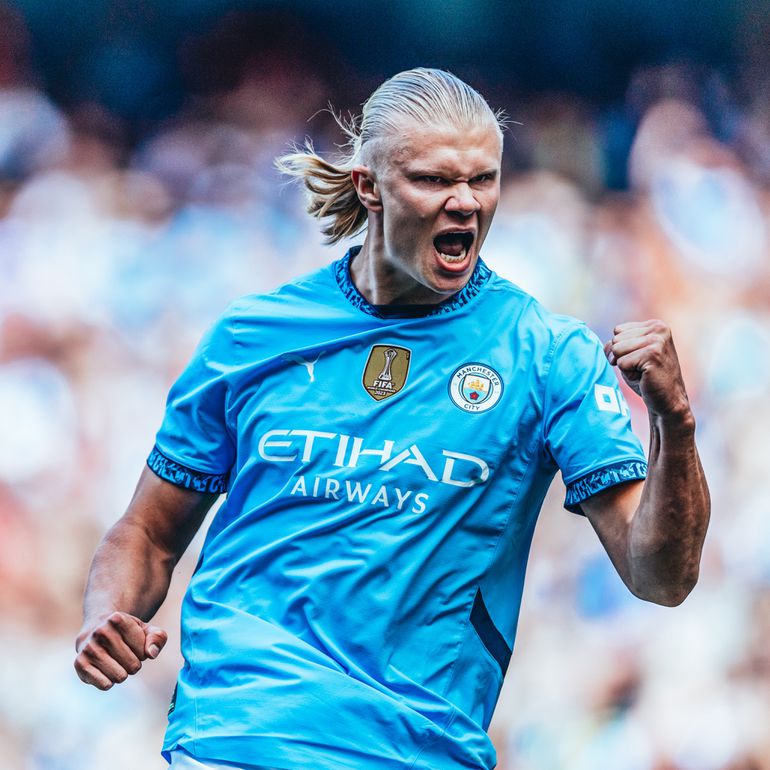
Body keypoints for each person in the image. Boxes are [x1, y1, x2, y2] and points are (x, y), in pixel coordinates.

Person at [74, 68, 710, 770]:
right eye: (434, 180)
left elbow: (661, 577)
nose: (465, 202)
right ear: (368, 186)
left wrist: (674, 423)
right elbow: (147, 532)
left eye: (483, 179)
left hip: (411, 750)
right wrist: (108, 614)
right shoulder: (252, 335)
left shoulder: (547, 355)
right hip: (235, 735)